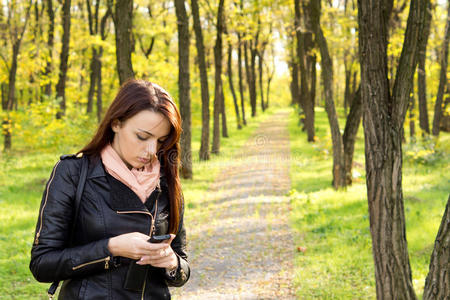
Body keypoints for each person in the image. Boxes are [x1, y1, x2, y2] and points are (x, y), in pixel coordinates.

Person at [30, 79, 190, 299]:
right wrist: (111, 248)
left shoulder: (167, 180)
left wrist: (172, 263)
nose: (152, 150)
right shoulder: (73, 173)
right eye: (142, 137)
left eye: (161, 140)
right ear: (116, 123)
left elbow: (182, 266)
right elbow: (42, 263)